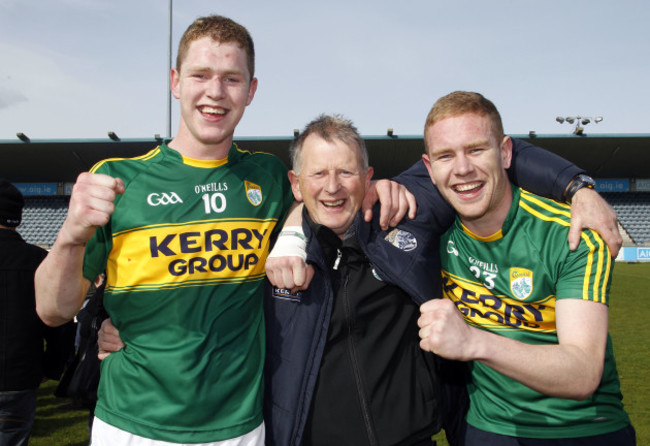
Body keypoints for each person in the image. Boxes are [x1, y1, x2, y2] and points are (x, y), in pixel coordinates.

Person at [34, 15, 295, 446]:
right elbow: (52, 311)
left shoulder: (268, 178)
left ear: (251, 90)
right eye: (201, 75)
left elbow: (323, 200)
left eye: (232, 78)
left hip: (238, 427)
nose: (215, 92)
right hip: (131, 422)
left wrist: (376, 188)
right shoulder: (119, 179)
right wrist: (71, 234)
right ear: (175, 81)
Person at [417, 91, 635, 445]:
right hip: (487, 430)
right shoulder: (430, 236)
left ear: (505, 153)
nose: (462, 169)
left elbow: (582, 373)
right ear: (429, 168)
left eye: (476, 149)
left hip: (583, 430)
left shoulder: (571, 234)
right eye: (446, 156)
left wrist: (473, 341)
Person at [0, 178, 75, 446]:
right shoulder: (39, 260)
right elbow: (61, 321)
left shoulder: (39, 261)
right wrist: (51, 365)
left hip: (21, 377)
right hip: (20, 377)